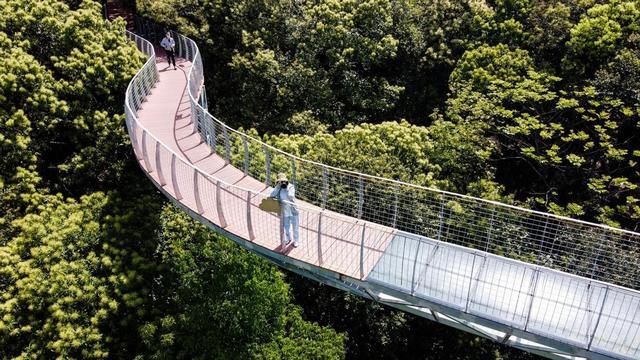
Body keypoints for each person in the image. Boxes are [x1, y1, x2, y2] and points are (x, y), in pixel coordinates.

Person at [271, 173, 299, 247]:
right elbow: (272, 195)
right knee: (286, 226)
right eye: (280, 181)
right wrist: (278, 187)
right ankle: (288, 238)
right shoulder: (278, 188)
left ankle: (296, 240)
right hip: (284, 210)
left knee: (295, 226)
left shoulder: (291, 187)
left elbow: (291, 196)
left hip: (293, 210)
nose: (282, 182)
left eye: (283, 181)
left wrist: (286, 188)